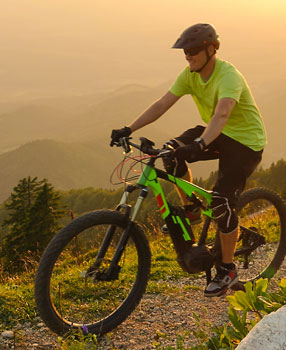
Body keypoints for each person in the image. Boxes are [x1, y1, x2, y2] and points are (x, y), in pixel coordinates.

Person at [110, 23, 267, 297]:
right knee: (170, 152)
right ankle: (192, 209)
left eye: (193, 51)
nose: (188, 56)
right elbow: (161, 104)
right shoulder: (189, 75)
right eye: (184, 51)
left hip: (245, 142)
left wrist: (201, 144)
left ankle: (228, 270)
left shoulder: (228, 76)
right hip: (217, 134)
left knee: (222, 203)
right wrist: (129, 129)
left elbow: (221, 115)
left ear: (211, 49)